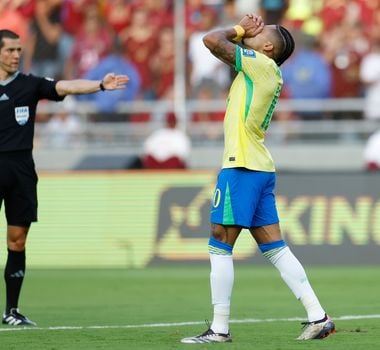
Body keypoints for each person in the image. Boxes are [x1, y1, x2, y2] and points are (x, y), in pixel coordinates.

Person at [180, 14, 335, 343]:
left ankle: (219, 328)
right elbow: (223, 50)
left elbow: (210, 40)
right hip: (259, 166)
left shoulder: (260, 64)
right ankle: (318, 316)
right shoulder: (263, 69)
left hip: (242, 167)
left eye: (259, 31)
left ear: (266, 47)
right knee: (275, 248)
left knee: (220, 241)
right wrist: (243, 35)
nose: (252, 31)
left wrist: (238, 29)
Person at [0, 29, 129, 326]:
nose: (16, 55)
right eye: (10, 50)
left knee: (17, 241)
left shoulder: (29, 85)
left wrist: (99, 84)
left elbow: (66, 85)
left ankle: (11, 311)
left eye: (19, 50)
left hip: (20, 171)